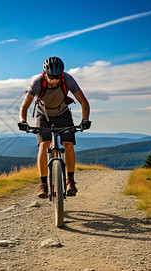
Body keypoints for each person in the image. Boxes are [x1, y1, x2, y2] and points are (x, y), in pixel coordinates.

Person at [18, 56, 91, 198]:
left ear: (61, 75)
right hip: (43, 115)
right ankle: (43, 184)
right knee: (43, 145)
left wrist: (85, 119)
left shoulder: (68, 80)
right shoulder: (37, 82)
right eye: (50, 77)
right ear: (45, 74)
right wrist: (23, 121)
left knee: (68, 145)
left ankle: (70, 181)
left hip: (63, 114)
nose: (53, 80)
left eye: (57, 77)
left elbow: (83, 101)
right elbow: (25, 106)